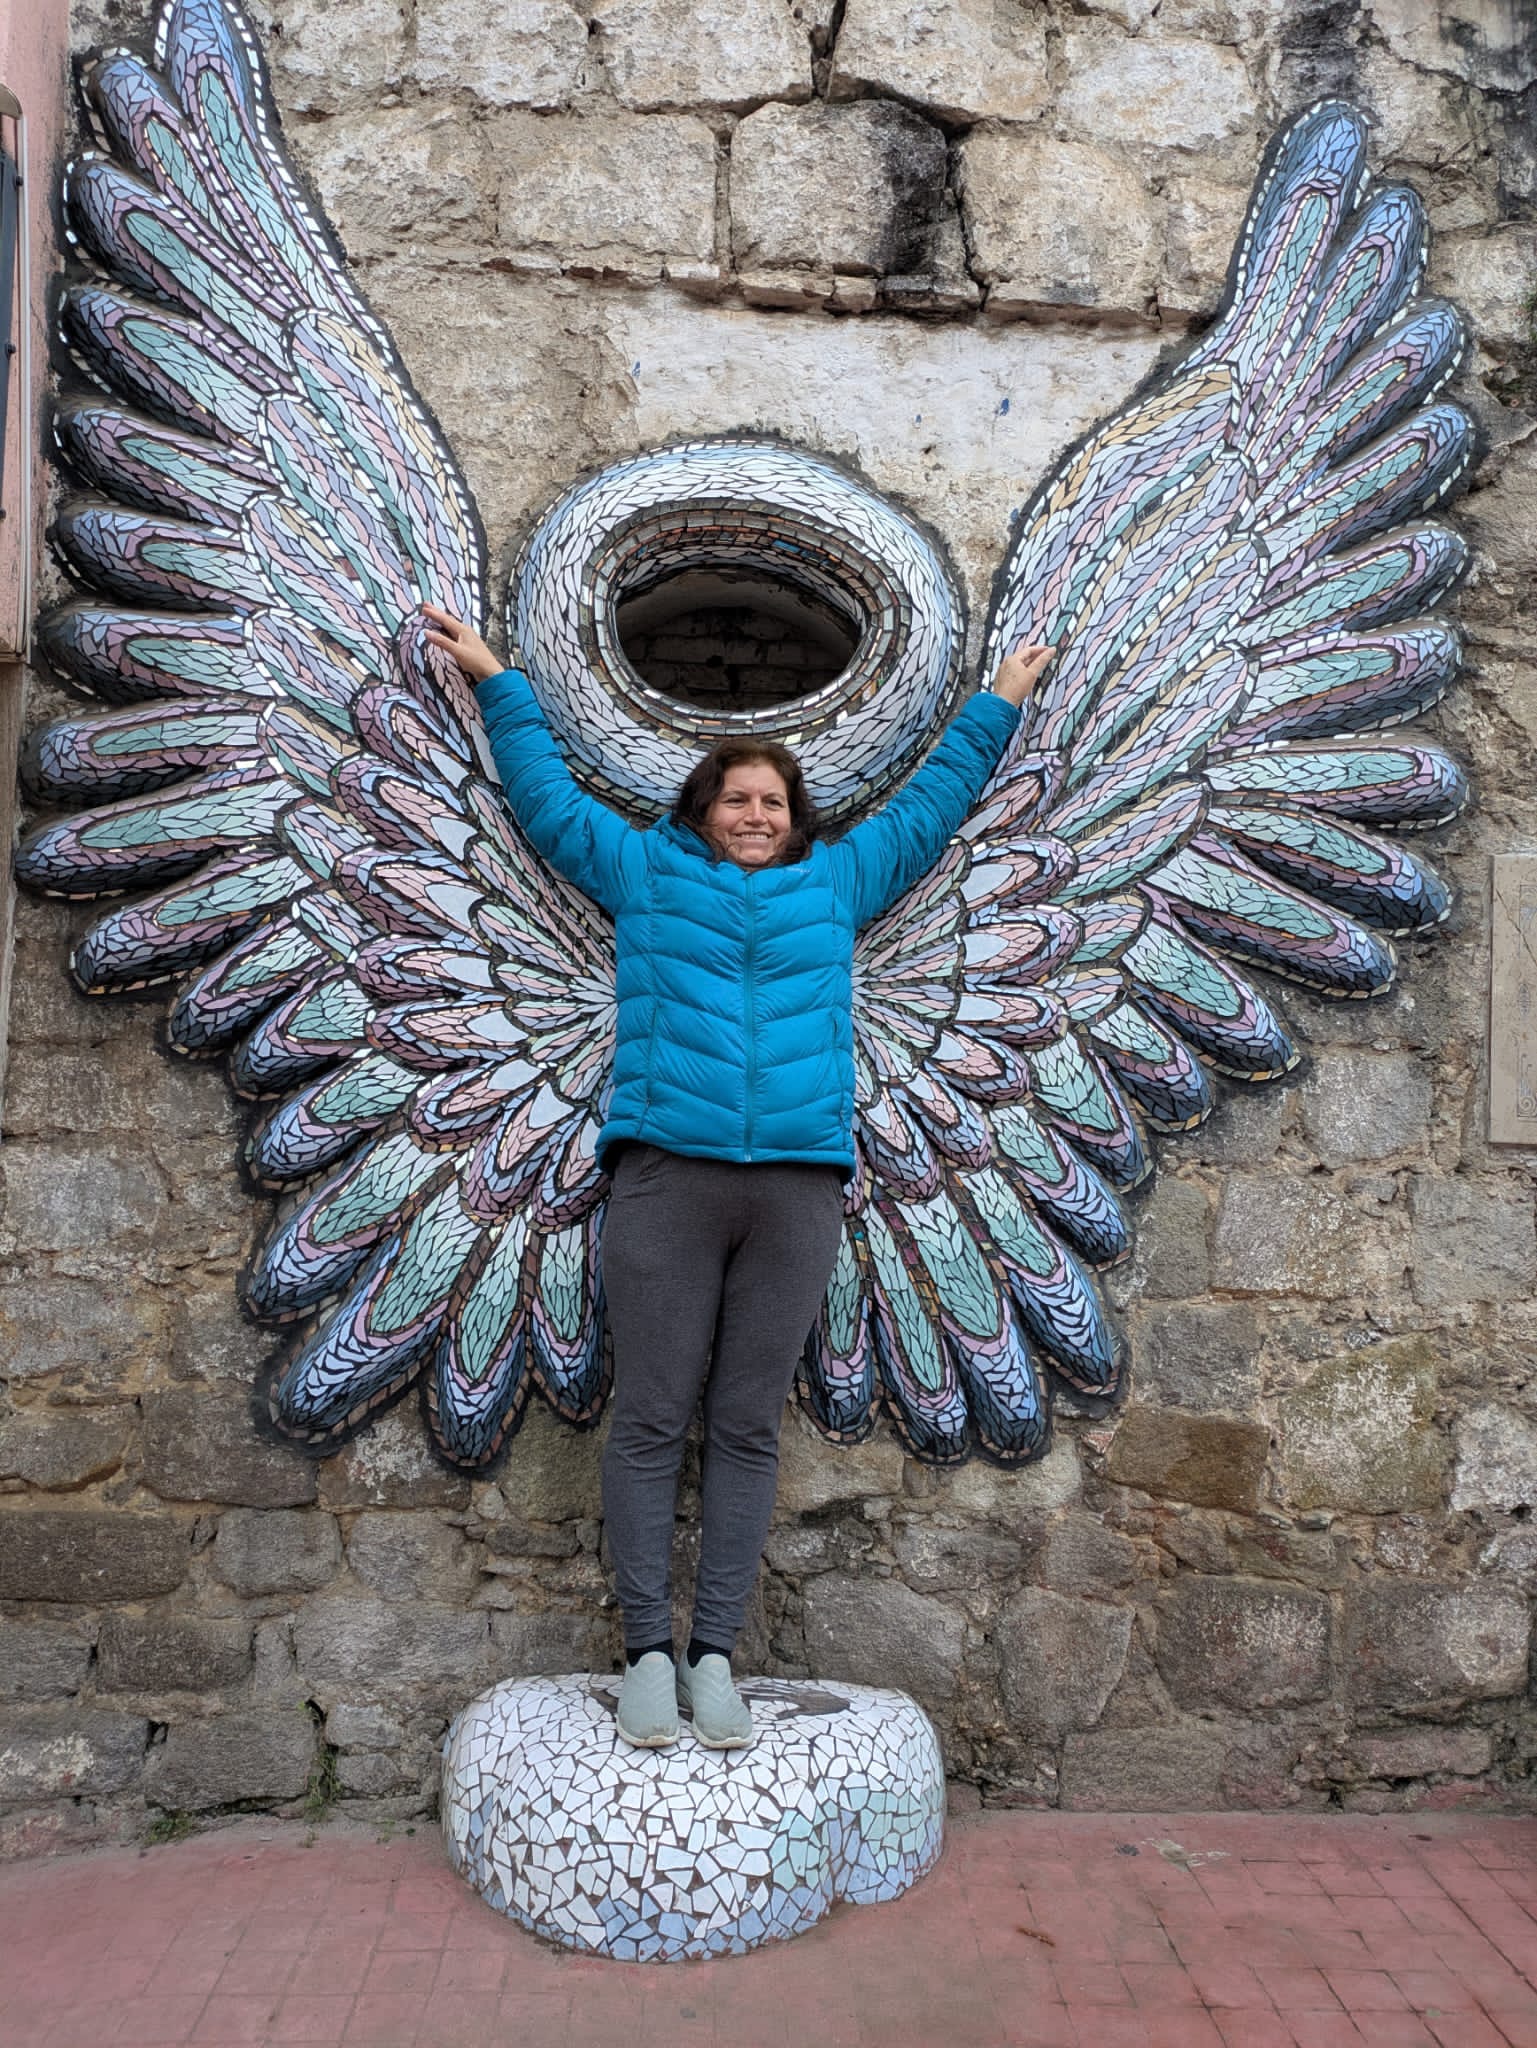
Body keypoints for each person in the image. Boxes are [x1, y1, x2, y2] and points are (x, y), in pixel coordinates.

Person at [424, 602, 1052, 1750]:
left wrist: (998, 699)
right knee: (651, 1415)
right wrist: (495, 679)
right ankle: (645, 1654)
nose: (754, 815)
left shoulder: (841, 880)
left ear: (794, 815)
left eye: (771, 801)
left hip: (796, 1189)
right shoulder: (643, 872)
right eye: (736, 799)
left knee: (747, 1422)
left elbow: (933, 803)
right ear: (702, 810)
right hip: (667, 1177)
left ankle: (714, 1651)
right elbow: (547, 800)